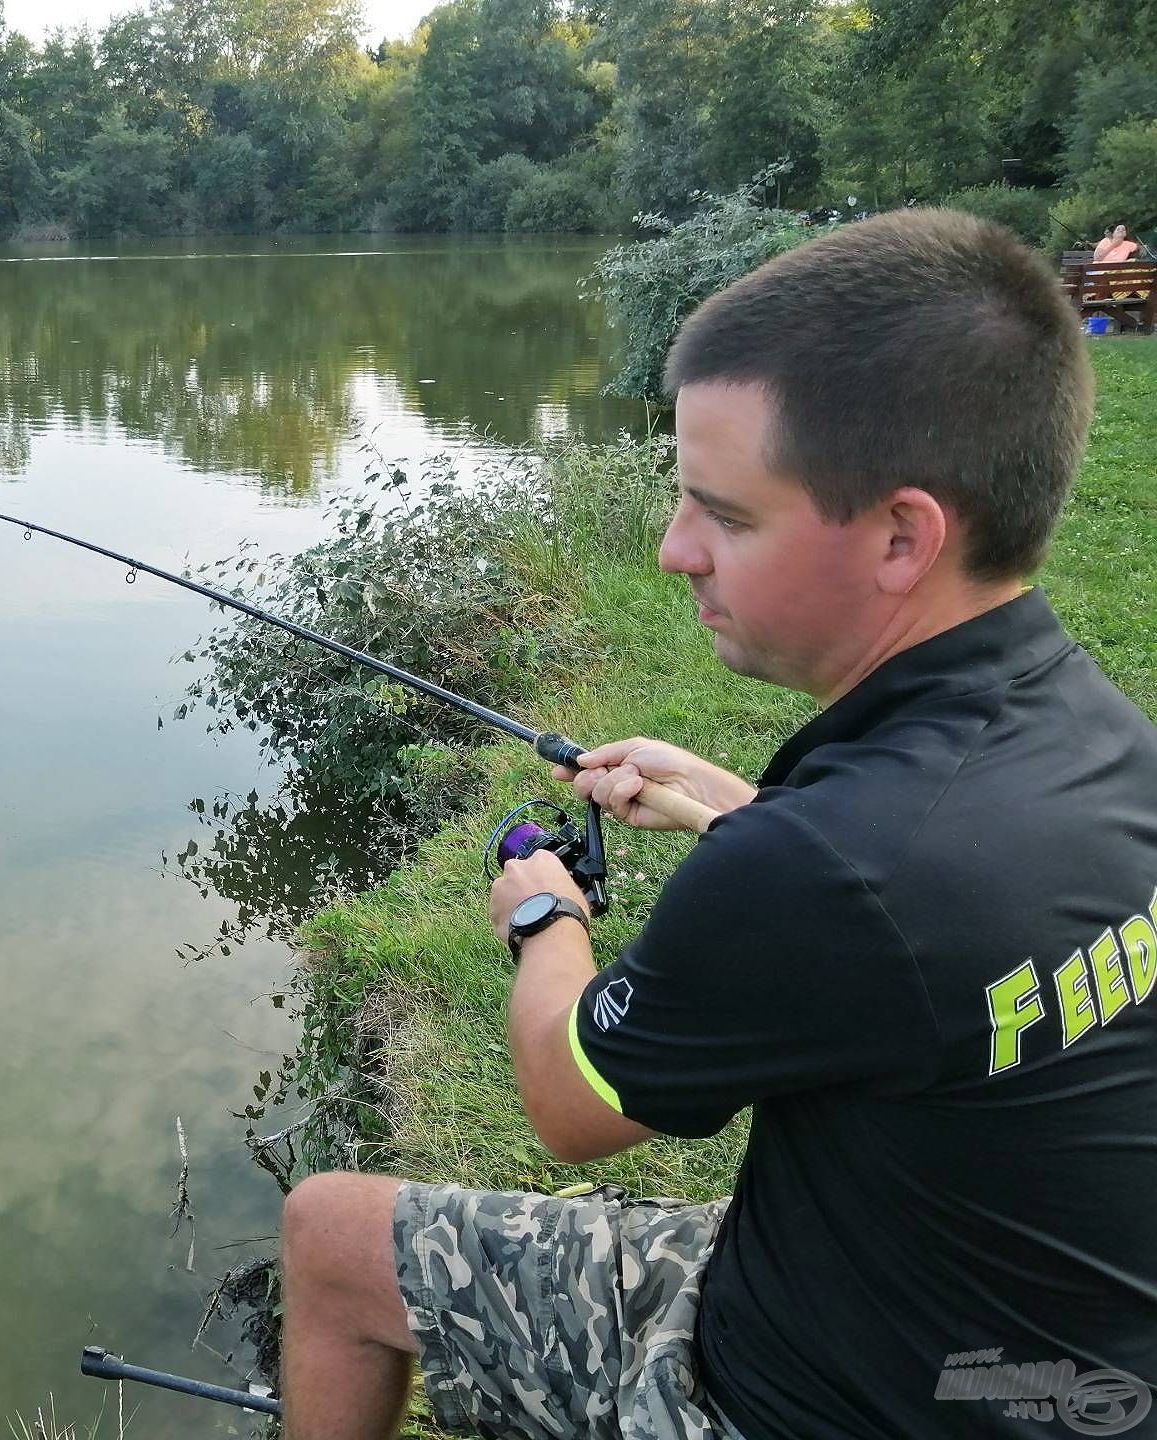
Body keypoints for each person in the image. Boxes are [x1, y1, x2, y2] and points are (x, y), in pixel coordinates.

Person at [278, 208, 1157, 1440]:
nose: (672, 549)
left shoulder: (821, 869)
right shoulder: (1093, 731)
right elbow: (920, 917)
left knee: (329, 1235)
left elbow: (568, 1099)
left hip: (824, 1394)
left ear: (905, 534)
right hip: (1047, 1371)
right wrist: (737, 809)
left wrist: (540, 907)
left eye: (726, 517)